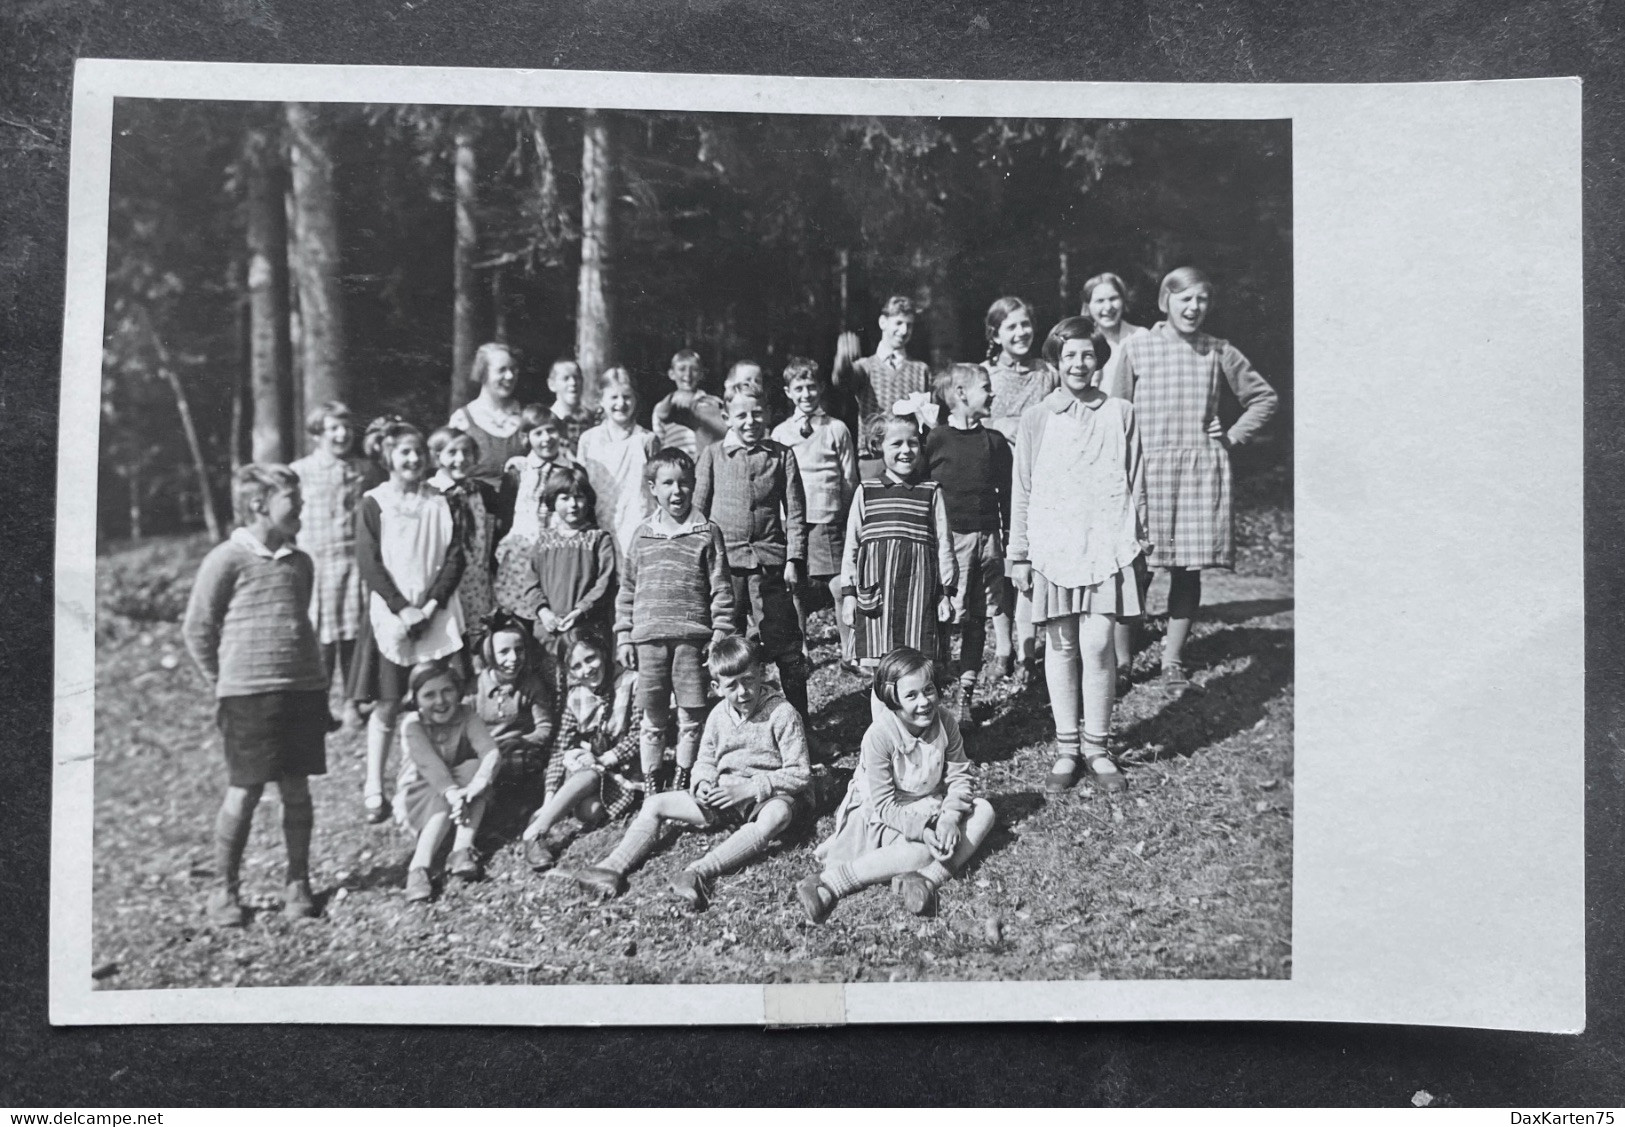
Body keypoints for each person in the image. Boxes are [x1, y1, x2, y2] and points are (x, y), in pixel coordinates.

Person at [1112, 267, 1279, 691]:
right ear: (1164, 301)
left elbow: (1263, 398)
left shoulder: (1218, 350)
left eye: (1202, 300)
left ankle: (1172, 659)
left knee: (1187, 571)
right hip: (1147, 471)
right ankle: (1123, 661)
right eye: (1185, 299)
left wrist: (1234, 433)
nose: (1194, 308)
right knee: (1135, 569)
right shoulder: (1137, 348)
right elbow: (1115, 413)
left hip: (1198, 473)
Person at [183, 464, 330, 927]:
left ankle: (297, 884)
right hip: (247, 697)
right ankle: (223, 890)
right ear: (258, 505)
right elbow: (198, 629)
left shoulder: (300, 561)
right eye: (293, 500)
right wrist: (224, 683)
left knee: (297, 790)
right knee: (244, 792)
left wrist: (316, 684)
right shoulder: (226, 559)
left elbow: (299, 622)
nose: (302, 509)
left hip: (301, 692)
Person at [1010, 317, 1149, 795]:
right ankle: (1067, 747)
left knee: (1097, 643)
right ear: (1055, 359)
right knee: (1062, 645)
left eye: (1087, 354)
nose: (1078, 363)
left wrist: (1140, 538)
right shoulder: (1038, 417)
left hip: (1106, 542)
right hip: (1053, 545)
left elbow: (1136, 480)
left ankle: (1098, 747)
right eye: (1069, 355)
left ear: (1099, 359)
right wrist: (1020, 552)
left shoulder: (1121, 412)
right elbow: (1023, 488)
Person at [572, 636, 811, 909]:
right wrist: (702, 783)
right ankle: (612, 867)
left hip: (764, 797)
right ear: (716, 687)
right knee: (654, 803)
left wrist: (750, 788)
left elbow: (800, 773)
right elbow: (705, 761)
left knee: (776, 816)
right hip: (724, 796)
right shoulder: (718, 715)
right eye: (731, 685)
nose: (743, 692)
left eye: (749, 680)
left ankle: (698, 872)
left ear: (761, 674)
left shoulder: (782, 713)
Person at [796, 647, 995, 923]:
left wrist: (950, 819)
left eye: (928, 690)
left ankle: (925, 879)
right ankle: (831, 883)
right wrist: (924, 831)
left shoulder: (945, 721)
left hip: (930, 802)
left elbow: (959, 775)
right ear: (894, 701)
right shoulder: (879, 736)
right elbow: (885, 805)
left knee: (984, 810)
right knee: (923, 848)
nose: (924, 702)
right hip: (885, 816)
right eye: (911, 696)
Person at [348, 418, 466, 825]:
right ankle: (373, 787)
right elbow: (369, 563)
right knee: (387, 702)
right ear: (387, 458)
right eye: (404, 453)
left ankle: (428, 782)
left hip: (435, 612)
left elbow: (454, 558)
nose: (413, 459)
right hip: (392, 615)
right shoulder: (374, 503)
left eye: (418, 452)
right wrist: (403, 608)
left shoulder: (442, 500)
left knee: (434, 700)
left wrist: (430, 606)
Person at [615, 447, 735, 793]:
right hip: (649, 639)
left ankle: (684, 778)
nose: (677, 491)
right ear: (652, 487)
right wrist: (624, 635)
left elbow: (721, 588)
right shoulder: (642, 534)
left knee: (690, 715)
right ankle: (653, 782)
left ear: (694, 485)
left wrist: (720, 633)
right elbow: (627, 589)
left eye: (684, 483)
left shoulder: (706, 531)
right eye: (667, 483)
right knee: (652, 717)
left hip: (690, 640)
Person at [694, 383, 812, 725]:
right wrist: (701, 567)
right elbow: (699, 516)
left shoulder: (781, 455)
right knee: (724, 649)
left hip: (769, 567)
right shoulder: (713, 455)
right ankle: (726, 728)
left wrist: (794, 559)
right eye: (741, 415)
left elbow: (795, 512)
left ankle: (799, 725)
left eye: (757, 413)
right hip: (725, 570)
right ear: (727, 417)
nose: (750, 421)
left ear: (770, 414)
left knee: (788, 648)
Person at [925, 363, 1016, 726]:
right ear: (961, 393)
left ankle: (966, 695)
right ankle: (934, 692)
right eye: (985, 387)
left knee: (979, 615)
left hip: (987, 540)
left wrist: (1008, 540)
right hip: (948, 543)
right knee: (943, 615)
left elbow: (1008, 496)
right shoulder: (935, 440)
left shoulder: (993, 442)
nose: (992, 394)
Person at [839, 413, 957, 671]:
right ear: (878, 446)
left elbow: (945, 546)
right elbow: (852, 547)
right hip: (876, 601)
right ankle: (879, 712)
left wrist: (945, 594)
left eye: (913, 443)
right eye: (896, 443)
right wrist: (848, 595)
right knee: (879, 670)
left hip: (919, 598)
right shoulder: (867, 491)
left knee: (916, 669)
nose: (906, 450)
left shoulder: (931, 492)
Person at [520, 636, 641, 871]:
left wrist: (605, 758)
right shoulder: (576, 696)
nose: (586, 670)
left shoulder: (632, 681)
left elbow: (640, 734)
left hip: (623, 770)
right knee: (589, 774)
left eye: (591, 659)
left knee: (591, 812)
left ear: (604, 653)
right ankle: (537, 831)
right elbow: (560, 748)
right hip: (591, 772)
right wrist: (548, 799)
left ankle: (546, 816)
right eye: (576, 666)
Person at [289, 401, 375, 729]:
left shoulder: (361, 470)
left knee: (353, 639)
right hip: (317, 565)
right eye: (333, 429)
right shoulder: (300, 471)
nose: (342, 435)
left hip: (353, 563)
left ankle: (352, 702)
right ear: (317, 434)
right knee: (320, 642)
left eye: (347, 428)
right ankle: (318, 707)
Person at [771, 355, 859, 671]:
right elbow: (776, 479)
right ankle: (801, 651)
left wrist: (847, 516)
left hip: (829, 515)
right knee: (795, 587)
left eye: (811, 387)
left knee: (839, 585)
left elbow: (850, 478)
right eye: (799, 388)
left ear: (820, 388)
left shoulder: (836, 428)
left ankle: (850, 652)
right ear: (788, 392)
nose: (806, 394)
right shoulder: (780, 433)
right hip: (793, 519)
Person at [395, 658, 501, 902]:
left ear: (458, 691)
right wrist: (454, 795)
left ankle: (461, 849)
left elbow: (490, 751)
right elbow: (431, 768)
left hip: (457, 789)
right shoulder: (413, 725)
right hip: (419, 794)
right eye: (429, 695)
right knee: (443, 794)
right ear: (416, 699)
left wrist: (479, 782)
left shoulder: (467, 715)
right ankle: (418, 867)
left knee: (475, 768)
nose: (440, 701)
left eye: (447, 691)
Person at [519, 465, 617, 699]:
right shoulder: (543, 542)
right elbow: (530, 583)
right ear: (553, 502)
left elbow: (605, 581)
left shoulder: (598, 539)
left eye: (579, 497)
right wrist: (543, 613)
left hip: (586, 629)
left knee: (588, 688)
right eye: (565, 498)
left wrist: (581, 610)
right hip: (550, 631)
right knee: (551, 688)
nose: (573, 505)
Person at [493, 406, 576, 626]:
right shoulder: (518, 471)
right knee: (519, 619)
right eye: (538, 433)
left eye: (551, 431)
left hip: (559, 558)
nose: (546, 438)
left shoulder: (572, 472)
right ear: (526, 438)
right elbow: (504, 519)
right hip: (522, 557)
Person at [427, 426, 499, 654]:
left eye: (466, 452)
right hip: (445, 586)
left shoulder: (481, 491)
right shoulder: (430, 493)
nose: (460, 459)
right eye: (452, 453)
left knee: (478, 647)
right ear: (437, 456)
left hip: (477, 584)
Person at [577, 367, 661, 561]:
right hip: (599, 522)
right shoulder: (588, 440)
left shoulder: (646, 439)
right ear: (601, 400)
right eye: (614, 397)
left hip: (637, 522)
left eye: (627, 397)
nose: (621, 404)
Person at [471, 613, 556, 785]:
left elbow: (545, 728)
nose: (514, 658)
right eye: (503, 652)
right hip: (485, 755)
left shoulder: (531, 685)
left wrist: (521, 741)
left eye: (519, 650)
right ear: (489, 654)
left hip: (521, 752)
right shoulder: (475, 688)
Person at [449, 342, 528, 489]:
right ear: (483, 373)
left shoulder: (526, 417)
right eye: (502, 370)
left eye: (513, 369)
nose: (510, 376)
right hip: (477, 506)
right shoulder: (462, 420)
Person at [981, 296, 1060, 442]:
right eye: (1011, 327)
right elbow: (965, 420)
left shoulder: (1049, 373)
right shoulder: (983, 374)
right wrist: (996, 424)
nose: (1021, 332)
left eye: (1025, 324)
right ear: (996, 336)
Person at [849, 296, 932, 427]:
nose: (904, 331)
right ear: (883, 322)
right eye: (898, 323)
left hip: (907, 446)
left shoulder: (921, 370)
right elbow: (842, 380)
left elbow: (928, 420)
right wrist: (842, 362)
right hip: (872, 446)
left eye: (909, 325)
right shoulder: (864, 367)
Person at [1081, 271, 1148, 399]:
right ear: (1088, 306)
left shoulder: (1140, 336)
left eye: (1113, 299)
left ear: (1123, 300)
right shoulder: (1081, 340)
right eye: (1100, 301)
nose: (1108, 307)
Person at [650, 349, 727, 459]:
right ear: (671, 374)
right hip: (677, 464)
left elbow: (722, 433)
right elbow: (659, 442)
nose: (688, 374)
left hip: (706, 460)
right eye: (682, 369)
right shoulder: (663, 406)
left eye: (694, 369)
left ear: (701, 374)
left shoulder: (713, 402)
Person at [545, 357, 601, 451]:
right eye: (565, 378)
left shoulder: (591, 419)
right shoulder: (546, 420)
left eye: (577, 378)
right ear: (552, 384)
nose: (573, 383)